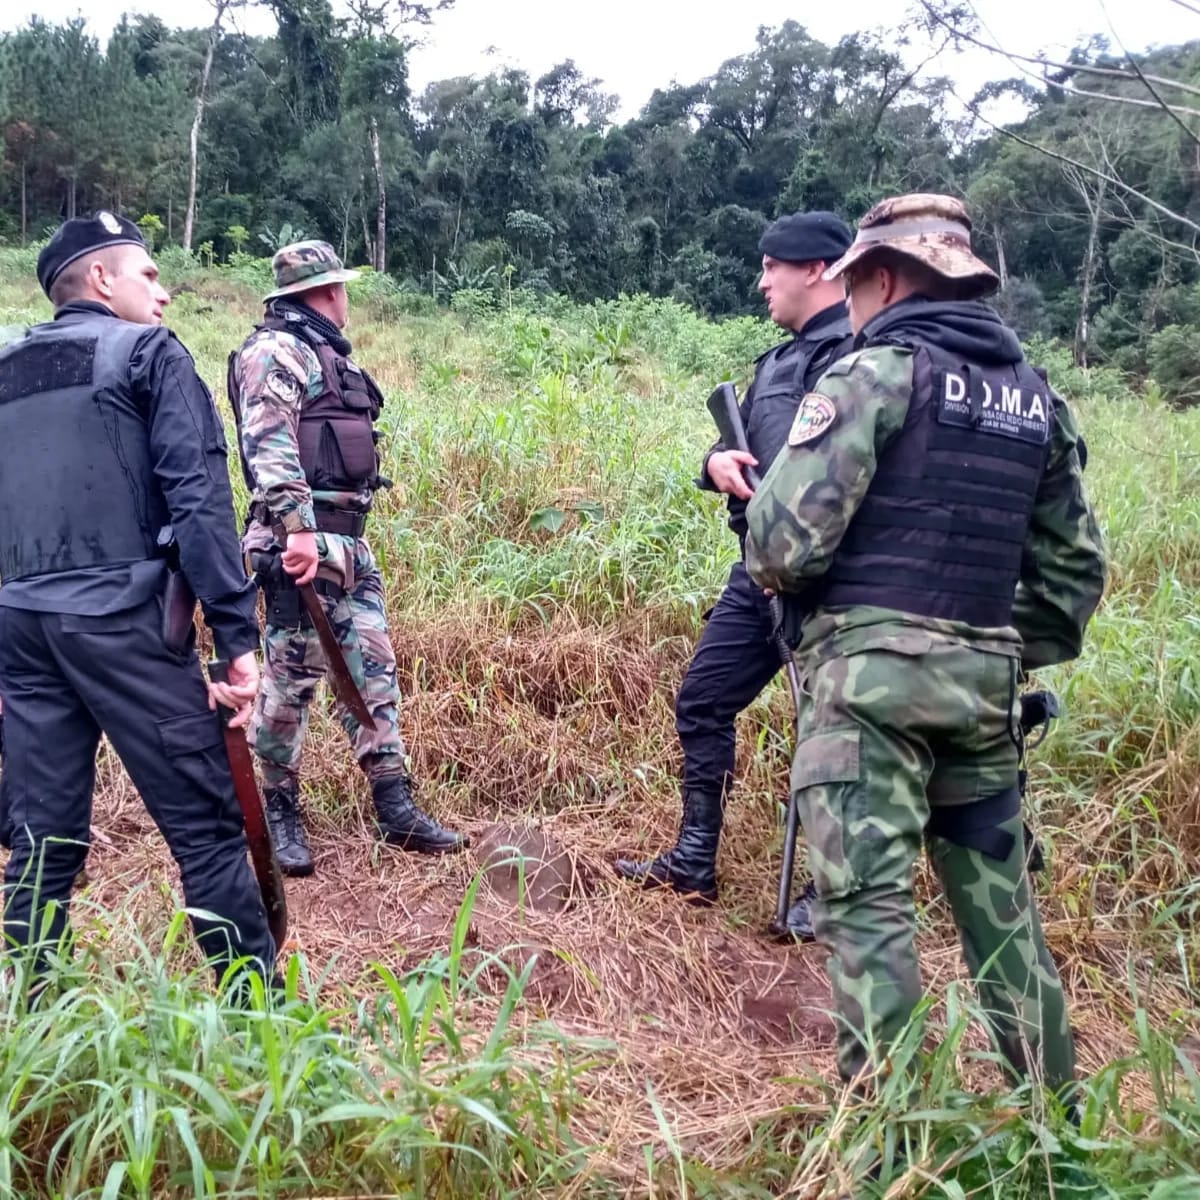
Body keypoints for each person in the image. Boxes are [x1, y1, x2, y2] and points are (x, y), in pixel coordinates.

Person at [744, 193, 1106, 1096]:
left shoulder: (875, 374)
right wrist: (990, 644)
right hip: (985, 691)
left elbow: (783, 546)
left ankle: (888, 1146)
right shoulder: (1039, 401)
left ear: (884, 276)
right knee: (1004, 922)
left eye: (854, 281)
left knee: (867, 914)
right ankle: (1057, 1138)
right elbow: (1074, 575)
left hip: (868, 688)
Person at [0, 213, 275, 983]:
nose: (162, 293)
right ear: (100, 281)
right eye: (148, 275)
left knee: (42, 840)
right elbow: (198, 505)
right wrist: (237, 640)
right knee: (208, 830)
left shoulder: (4, 367)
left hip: (21, 632)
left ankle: (34, 1021)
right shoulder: (148, 354)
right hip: (122, 621)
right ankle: (263, 1024)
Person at [615, 212, 855, 939]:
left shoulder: (861, 358)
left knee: (835, 735)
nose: (762, 282)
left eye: (771, 267)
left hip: (833, 584)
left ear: (816, 269)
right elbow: (730, 449)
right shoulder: (777, 363)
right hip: (758, 572)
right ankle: (694, 859)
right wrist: (715, 465)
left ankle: (834, 891)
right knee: (702, 700)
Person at [228, 241, 466, 876]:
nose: (346, 300)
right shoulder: (275, 351)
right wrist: (297, 531)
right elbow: (270, 445)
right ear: (329, 291)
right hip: (300, 544)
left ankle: (395, 804)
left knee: (373, 668)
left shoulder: (325, 354)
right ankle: (278, 812)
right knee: (290, 678)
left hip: (349, 545)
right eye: (342, 289)